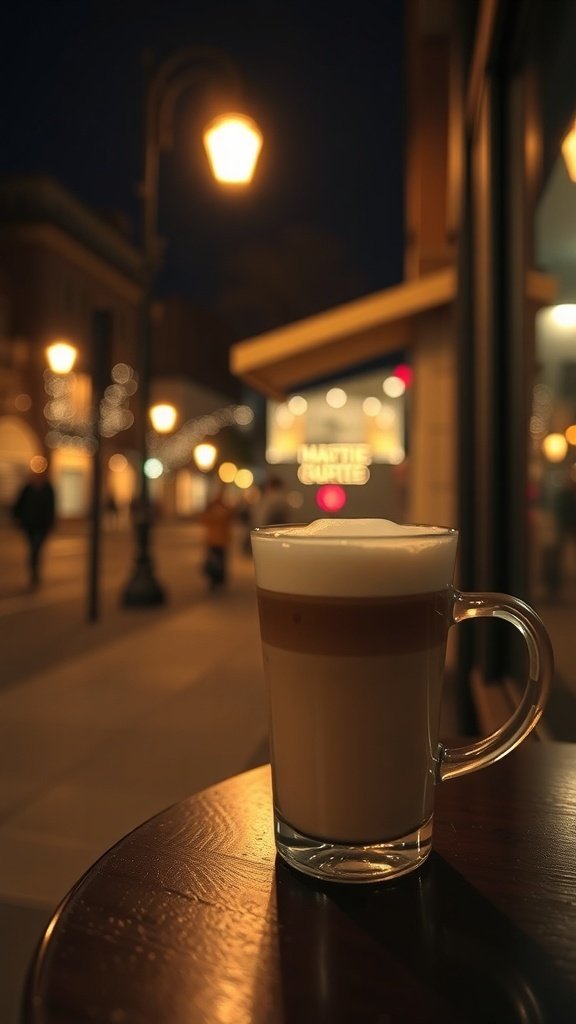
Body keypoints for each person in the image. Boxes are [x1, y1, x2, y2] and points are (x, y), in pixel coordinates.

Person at [12, 470, 56, 588]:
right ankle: (34, 570)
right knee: (33, 547)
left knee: (36, 548)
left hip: (42, 525)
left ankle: (34, 569)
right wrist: (17, 518)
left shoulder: (48, 489)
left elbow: (51, 507)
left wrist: (51, 522)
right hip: (30, 524)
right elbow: (18, 504)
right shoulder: (27, 488)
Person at [199, 487, 235, 591]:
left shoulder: (225, 509)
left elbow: (230, 517)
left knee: (220, 561)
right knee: (214, 561)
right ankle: (214, 580)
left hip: (220, 541)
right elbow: (204, 520)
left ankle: (219, 580)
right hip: (213, 540)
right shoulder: (211, 509)